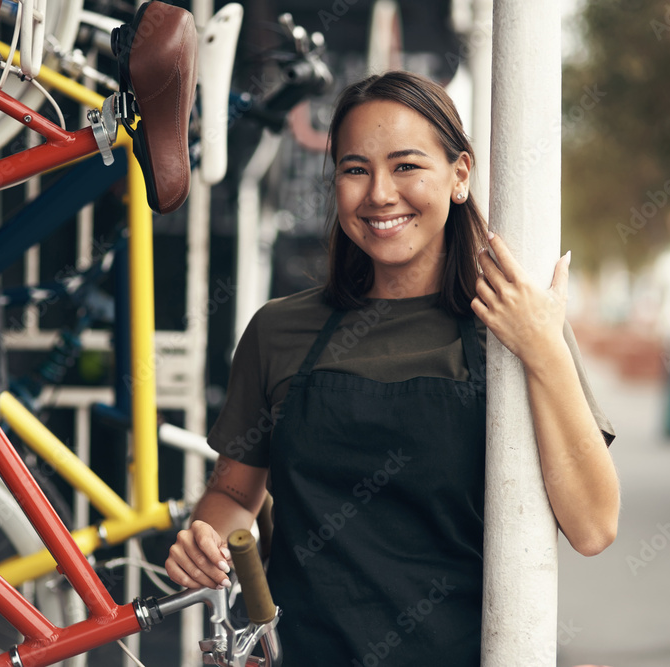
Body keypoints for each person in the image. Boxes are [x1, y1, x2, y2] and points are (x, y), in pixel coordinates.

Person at [165, 70, 619, 665]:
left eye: (406, 165)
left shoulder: (518, 328)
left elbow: (592, 527)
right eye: (356, 170)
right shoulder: (278, 331)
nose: (379, 192)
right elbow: (232, 493)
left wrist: (543, 349)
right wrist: (209, 541)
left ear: (460, 175)